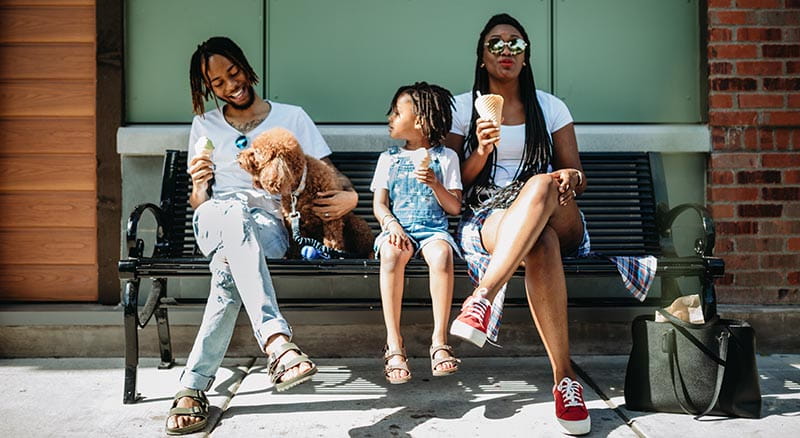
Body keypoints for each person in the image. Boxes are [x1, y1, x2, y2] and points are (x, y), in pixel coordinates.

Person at [165, 36, 358, 435]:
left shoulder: (292, 117)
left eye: (232, 72)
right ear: (208, 88)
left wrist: (351, 199)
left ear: (245, 67)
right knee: (232, 210)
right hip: (214, 217)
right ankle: (276, 342)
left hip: (269, 227)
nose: (229, 85)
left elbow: (327, 178)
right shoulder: (205, 125)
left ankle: (192, 388)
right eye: (217, 82)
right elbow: (199, 203)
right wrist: (199, 185)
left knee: (227, 271)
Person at [444, 14, 592, 435]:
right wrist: (482, 150)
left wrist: (570, 178)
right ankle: (566, 380)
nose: (506, 51)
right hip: (491, 215)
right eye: (496, 44)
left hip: (558, 210)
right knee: (538, 242)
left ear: (526, 57)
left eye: (516, 44)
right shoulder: (460, 107)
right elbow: (455, 183)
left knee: (543, 184)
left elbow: (577, 174)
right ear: (481, 55)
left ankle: (483, 297)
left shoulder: (550, 106)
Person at [371, 82, 463, 384]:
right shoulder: (389, 159)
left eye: (397, 112)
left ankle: (439, 341)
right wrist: (391, 225)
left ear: (421, 120)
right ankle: (394, 344)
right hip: (398, 229)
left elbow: (454, 208)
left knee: (442, 255)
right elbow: (380, 204)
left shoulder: (446, 158)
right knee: (391, 254)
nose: (389, 117)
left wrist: (436, 184)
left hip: (433, 229)